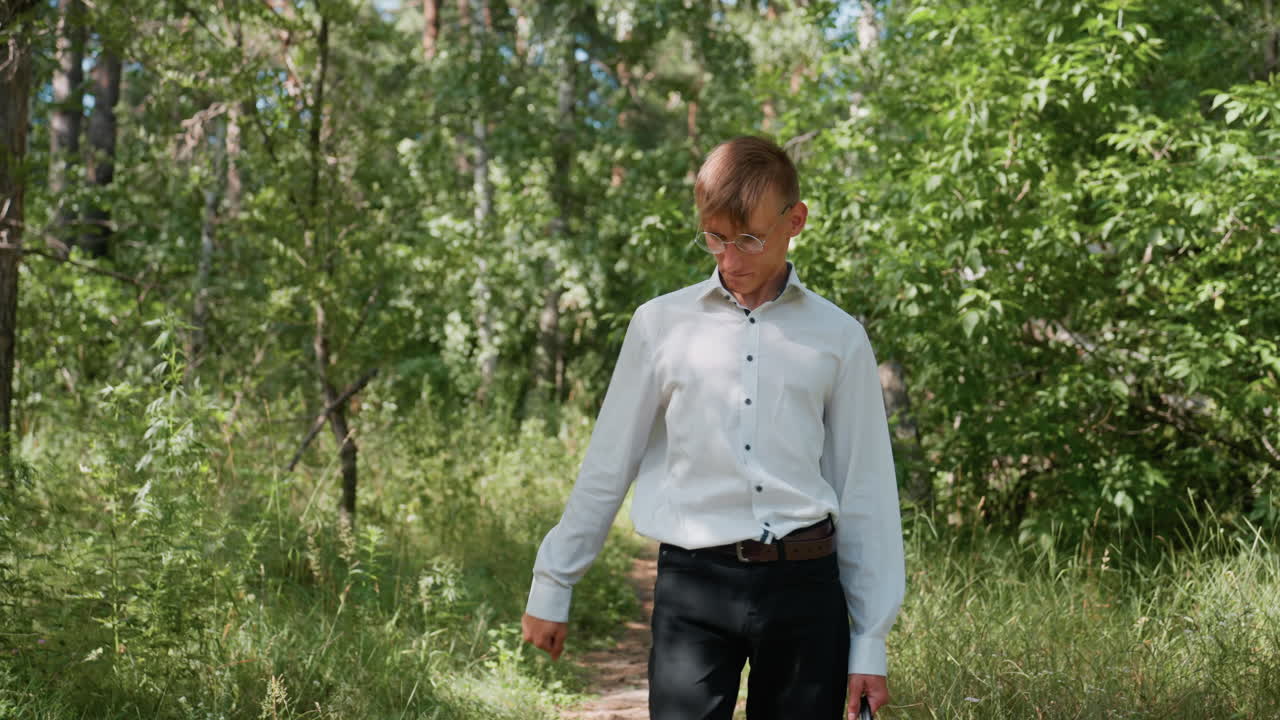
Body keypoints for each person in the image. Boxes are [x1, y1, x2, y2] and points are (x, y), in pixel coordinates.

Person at [521, 136, 905, 720]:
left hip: (807, 590)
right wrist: (554, 582)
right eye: (715, 237)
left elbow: (865, 489)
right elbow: (609, 463)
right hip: (693, 586)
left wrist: (870, 640)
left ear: (795, 221)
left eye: (749, 238)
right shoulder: (659, 325)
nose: (729, 258)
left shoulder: (840, 337)